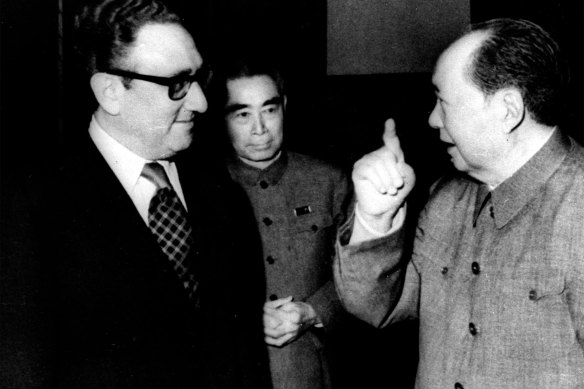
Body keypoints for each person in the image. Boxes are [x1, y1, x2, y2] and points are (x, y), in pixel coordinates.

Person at [2, 0, 271, 387]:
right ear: (111, 91)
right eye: (176, 85)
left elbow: (246, 361)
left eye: (200, 78)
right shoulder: (29, 207)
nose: (201, 102)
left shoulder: (224, 198)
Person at [333, 18, 584, 388]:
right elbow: (378, 307)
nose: (433, 119)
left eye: (443, 101)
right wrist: (375, 217)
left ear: (508, 110)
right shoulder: (446, 198)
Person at [213, 58, 351, 389]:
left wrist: (314, 311)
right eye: (243, 114)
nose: (259, 128)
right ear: (223, 119)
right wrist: (241, 318)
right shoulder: (204, 187)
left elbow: (361, 278)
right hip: (231, 370)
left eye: (269, 110)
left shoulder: (329, 181)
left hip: (308, 373)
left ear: (284, 107)